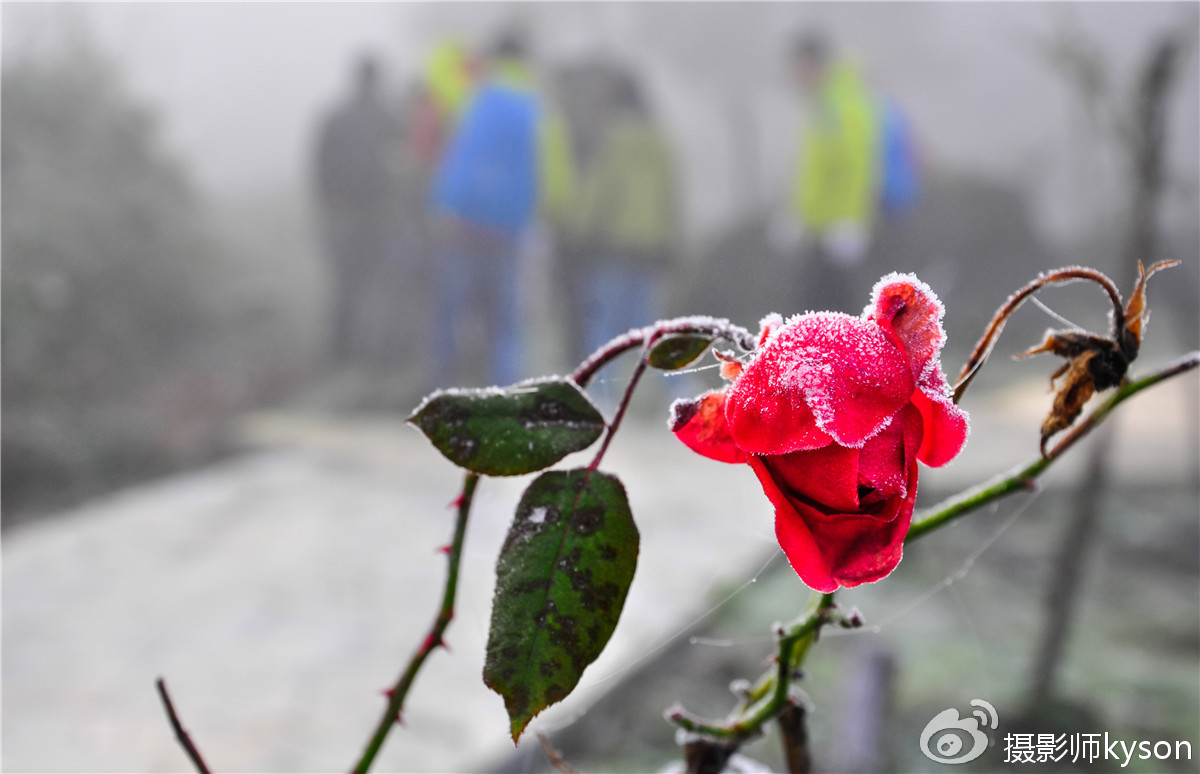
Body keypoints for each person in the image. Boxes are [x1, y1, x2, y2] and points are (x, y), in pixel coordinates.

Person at [429, 29, 571, 387]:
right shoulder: (539, 109)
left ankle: (440, 386)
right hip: (509, 226)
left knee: (453, 311)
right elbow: (555, 175)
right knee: (506, 320)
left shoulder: (473, 91)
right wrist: (548, 214)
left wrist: (469, 55)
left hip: (459, 218)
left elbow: (435, 71)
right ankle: (502, 389)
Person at [569, 77, 679, 375]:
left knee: (604, 327)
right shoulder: (659, 144)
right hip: (650, 251)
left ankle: (601, 397)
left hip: (611, 248)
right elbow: (672, 198)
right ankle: (676, 389)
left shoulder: (611, 142)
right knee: (651, 329)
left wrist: (577, 231)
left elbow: (598, 191)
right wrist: (672, 244)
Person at [774, 31, 880, 314]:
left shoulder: (841, 101)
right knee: (821, 308)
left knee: (829, 308)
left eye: (798, 65)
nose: (793, 74)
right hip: (820, 226)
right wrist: (800, 213)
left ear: (814, 63)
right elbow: (817, 171)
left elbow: (854, 163)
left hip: (836, 227)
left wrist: (849, 218)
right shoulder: (823, 102)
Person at [314, 53, 406, 363]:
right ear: (377, 80)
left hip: (345, 214)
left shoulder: (335, 118)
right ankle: (382, 353)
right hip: (379, 212)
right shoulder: (388, 117)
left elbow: (319, 167)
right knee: (383, 281)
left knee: (347, 283)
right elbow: (402, 163)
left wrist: (329, 205)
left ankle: (342, 352)